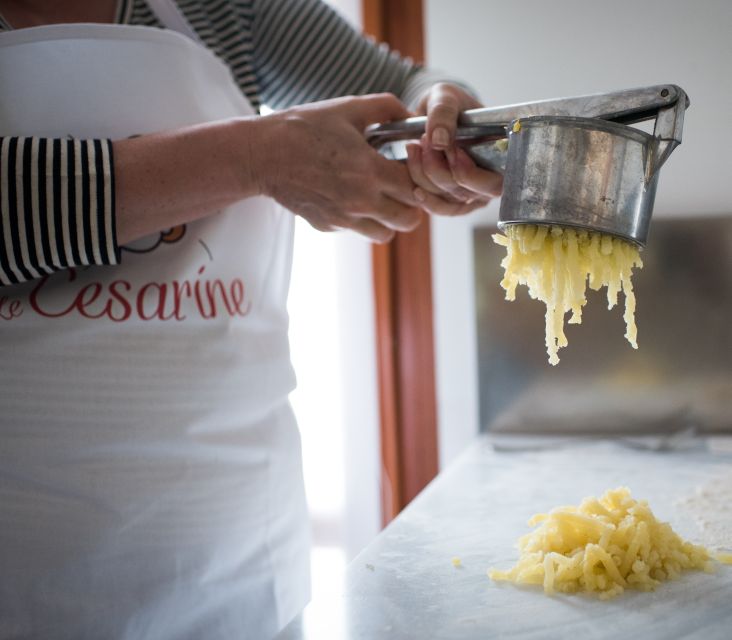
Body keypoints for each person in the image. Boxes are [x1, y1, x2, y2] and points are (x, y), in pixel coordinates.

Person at [0, 0, 502, 638]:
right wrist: (258, 154)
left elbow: (404, 90)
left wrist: (445, 114)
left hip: (243, 573)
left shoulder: (226, 6)